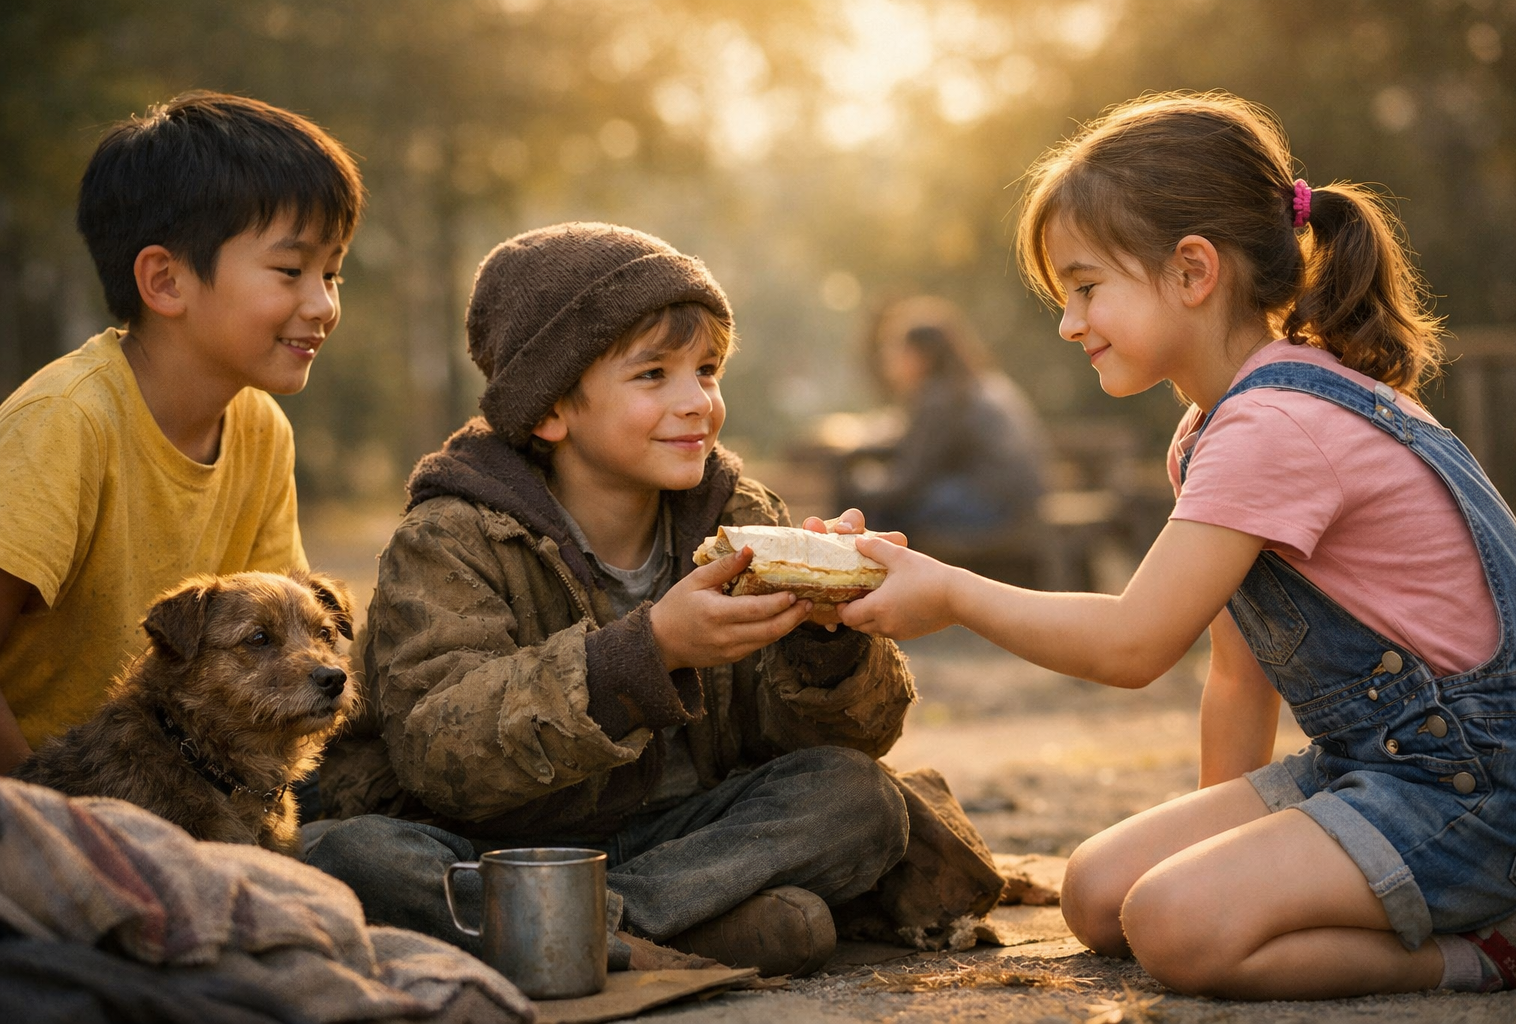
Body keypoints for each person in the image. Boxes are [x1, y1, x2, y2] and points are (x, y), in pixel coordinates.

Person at [836, 92, 1516, 999]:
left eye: (1086, 288)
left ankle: (1497, 951)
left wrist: (952, 592)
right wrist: (1222, 850)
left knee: (1176, 927)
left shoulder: (1275, 426)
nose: (1069, 323)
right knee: (1098, 895)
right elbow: (1238, 679)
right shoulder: (1214, 430)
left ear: (1192, 271)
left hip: (1483, 792)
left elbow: (1135, 645)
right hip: (1377, 768)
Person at [309, 223, 960, 979]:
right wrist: (651, 653)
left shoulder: (740, 516)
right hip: (503, 847)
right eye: (653, 375)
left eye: (707, 370)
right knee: (353, 854)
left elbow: (816, 746)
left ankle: (605, 930)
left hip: (680, 842)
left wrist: (827, 642)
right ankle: (695, 929)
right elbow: (440, 754)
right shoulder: (450, 538)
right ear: (550, 410)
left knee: (857, 798)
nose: (697, 402)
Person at [0, 92, 364, 775]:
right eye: (291, 271)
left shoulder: (261, 429)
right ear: (166, 281)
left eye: (332, 273)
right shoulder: (65, 423)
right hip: (48, 795)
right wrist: (42, 814)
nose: (323, 304)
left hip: (193, 783)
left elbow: (290, 639)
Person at [834, 295, 1051, 559]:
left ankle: (864, 570)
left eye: (898, 350)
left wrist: (857, 488)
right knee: (887, 502)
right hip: (1019, 500)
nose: (889, 360)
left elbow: (912, 479)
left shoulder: (940, 395)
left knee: (884, 511)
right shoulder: (972, 384)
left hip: (995, 507)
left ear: (922, 355)